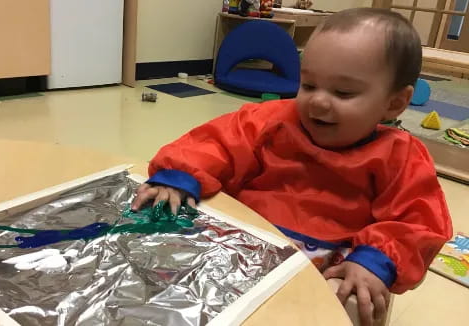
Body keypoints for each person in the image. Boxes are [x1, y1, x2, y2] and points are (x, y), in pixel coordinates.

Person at [132, 8, 452, 326]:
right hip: (247, 239)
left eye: (343, 92)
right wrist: (179, 174)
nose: (318, 101)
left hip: (330, 266)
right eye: (309, 85)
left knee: (351, 302)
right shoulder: (272, 121)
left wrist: (374, 261)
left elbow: (418, 221)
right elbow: (218, 142)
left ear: (394, 103)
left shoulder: (401, 155)